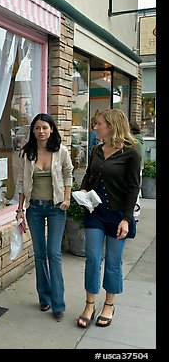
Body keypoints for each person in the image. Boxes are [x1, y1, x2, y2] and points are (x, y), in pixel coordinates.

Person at [76, 109, 140, 329]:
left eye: (99, 124)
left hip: (117, 216)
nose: (95, 128)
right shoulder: (96, 150)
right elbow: (89, 176)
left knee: (113, 262)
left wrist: (126, 218)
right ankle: (90, 304)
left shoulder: (131, 153)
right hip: (95, 212)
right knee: (93, 258)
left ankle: (109, 305)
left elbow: (133, 188)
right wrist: (83, 190)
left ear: (111, 126)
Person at [15, 113, 73, 321]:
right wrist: (20, 208)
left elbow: (68, 173)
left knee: (53, 254)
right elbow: (22, 181)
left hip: (56, 207)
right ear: (33, 130)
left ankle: (58, 303)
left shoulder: (61, 151)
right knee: (39, 254)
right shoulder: (27, 153)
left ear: (52, 130)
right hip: (35, 209)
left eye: (45, 127)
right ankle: (44, 297)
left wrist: (66, 198)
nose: (41, 131)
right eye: (37, 127)